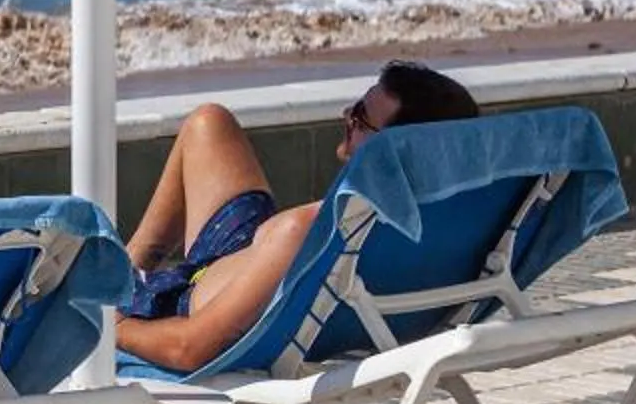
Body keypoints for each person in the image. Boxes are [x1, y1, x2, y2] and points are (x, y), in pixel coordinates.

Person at [114, 59, 479, 373]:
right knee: (209, 123)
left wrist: (112, 325)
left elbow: (187, 348)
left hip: (184, 304)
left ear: (394, 151)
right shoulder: (448, 224)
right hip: (253, 262)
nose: (346, 117)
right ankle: (125, 267)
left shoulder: (306, 231)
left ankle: (116, 285)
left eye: (361, 117)